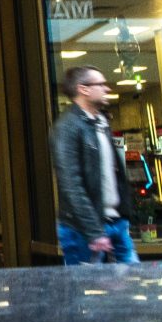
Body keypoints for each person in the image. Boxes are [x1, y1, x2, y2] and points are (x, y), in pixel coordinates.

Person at [50, 66, 138, 265]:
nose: (107, 89)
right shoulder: (67, 127)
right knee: (85, 292)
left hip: (116, 223)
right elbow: (71, 184)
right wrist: (94, 231)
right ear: (84, 89)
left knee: (133, 283)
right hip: (82, 230)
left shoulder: (100, 123)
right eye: (100, 84)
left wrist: (124, 217)